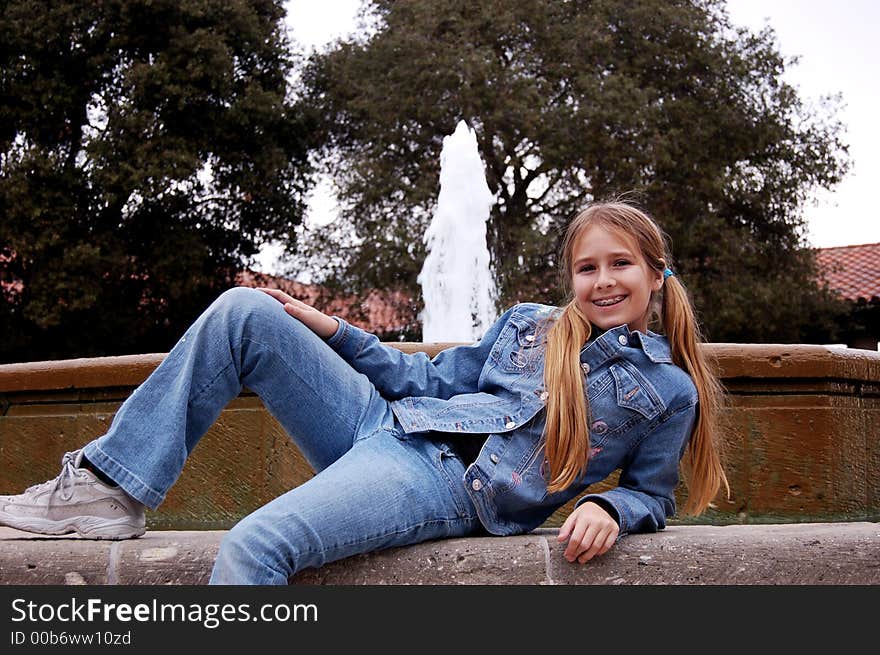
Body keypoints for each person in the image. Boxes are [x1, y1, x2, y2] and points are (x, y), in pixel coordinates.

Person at [0, 201, 728, 584]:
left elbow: (653, 493)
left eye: (621, 264)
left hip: (442, 483)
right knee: (242, 311)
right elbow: (429, 379)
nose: (602, 281)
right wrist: (335, 331)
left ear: (656, 276)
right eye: (586, 267)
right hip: (386, 421)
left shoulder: (669, 391)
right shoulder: (531, 325)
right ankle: (107, 490)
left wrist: (608, 505)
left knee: (253, 547)